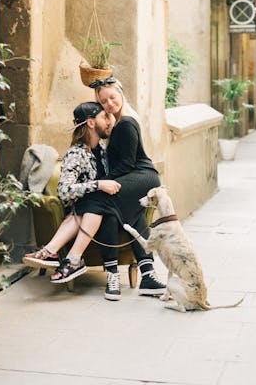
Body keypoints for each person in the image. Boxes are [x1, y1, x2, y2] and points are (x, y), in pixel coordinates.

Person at [23, 102, 122, 287]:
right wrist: (98, 184)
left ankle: (52, 251)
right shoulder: (76, 154)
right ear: (91, 123)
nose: (108, 122)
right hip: (85, 215)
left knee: (93, 205)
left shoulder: (103, 151)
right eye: (103, 117)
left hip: (106, 213)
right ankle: (70, 259)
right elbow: (64, 191)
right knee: (90, 206)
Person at [91, 76, 166, 299]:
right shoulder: (117, 125)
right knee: (123, 213)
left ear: (121, 94)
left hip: (143, 176)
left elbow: (127, 164)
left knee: (102, 202)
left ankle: (112, 275)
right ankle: (148, 274)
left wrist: (102, 184)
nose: (110, 104)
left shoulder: (126, 123)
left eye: (112, 97)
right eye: (104, 102)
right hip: (134, 178)